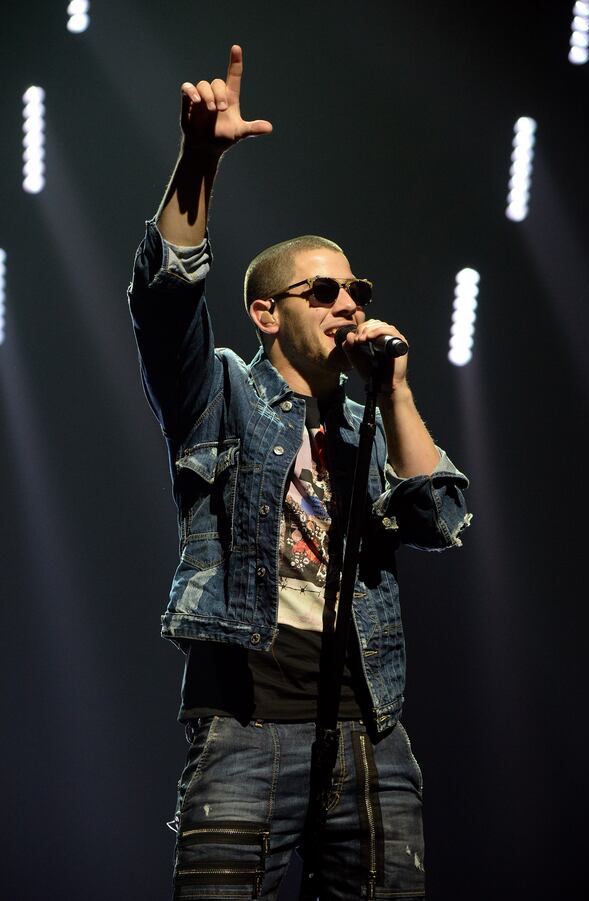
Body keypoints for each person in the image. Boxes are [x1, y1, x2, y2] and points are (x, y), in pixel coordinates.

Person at [128, 44, 471, 901]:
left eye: (353, 288)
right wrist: (200, 158)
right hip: (246, 729)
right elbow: (164, 299)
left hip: (373, 731)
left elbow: (439, 519)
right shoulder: (223, 396)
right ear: (266, 313)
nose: (347, 303)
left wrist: (393, 389)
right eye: (322, 292)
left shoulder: (368, 424)